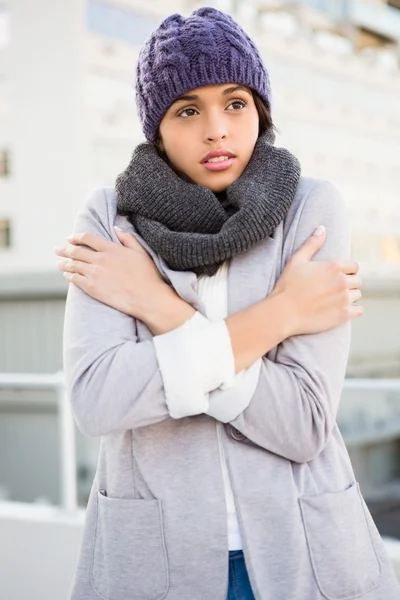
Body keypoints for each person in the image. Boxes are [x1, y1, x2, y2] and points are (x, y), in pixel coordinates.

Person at [55, 7, 400, 600]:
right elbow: (99, 400)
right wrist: (280, 315)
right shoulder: (109, 218)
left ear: (259, 110)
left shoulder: (309, 209)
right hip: (156, 555)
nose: (216, 129)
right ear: (156, 128)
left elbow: (303, 424)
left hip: (301, 545)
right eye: (188, 110)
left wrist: (156, 308)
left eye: (234, 102)